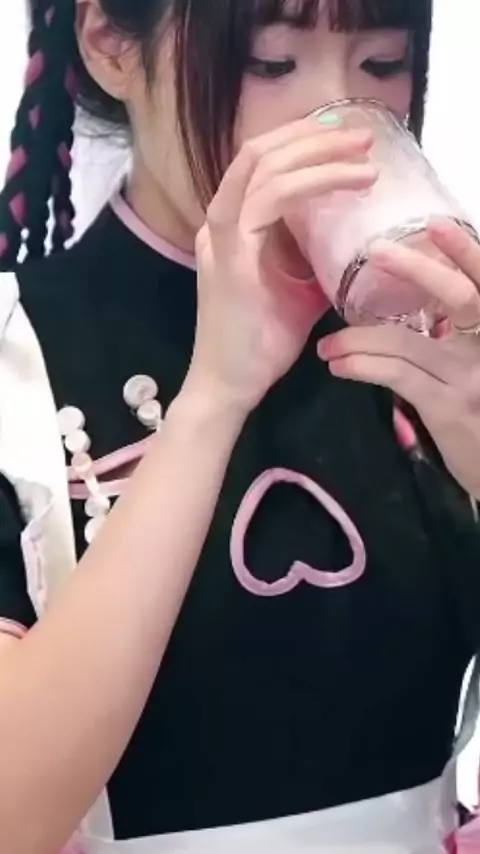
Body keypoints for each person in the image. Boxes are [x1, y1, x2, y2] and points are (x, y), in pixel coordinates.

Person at [1, 0, 480, 851]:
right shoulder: (19, 354)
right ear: (111, 43)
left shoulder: (430, 338)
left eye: (383, 64)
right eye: (272, 62)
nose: (338, 121)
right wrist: (215, 396)